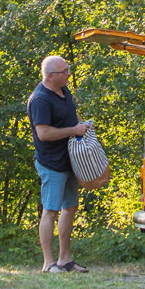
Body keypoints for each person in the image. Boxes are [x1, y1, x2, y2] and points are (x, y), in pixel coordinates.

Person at [28, 55, 94, 273]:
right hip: (51, 163)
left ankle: (65, 259)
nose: (68, 74)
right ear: (49, 76)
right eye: (64, 71)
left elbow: (71, 118)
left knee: (70, 207)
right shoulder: (40, 99)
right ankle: (48, 263)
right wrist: (73, 131)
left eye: (68, 69)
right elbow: (44, 133)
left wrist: (81, 128)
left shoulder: (64, 92)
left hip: (70, 161)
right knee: (50, 210)